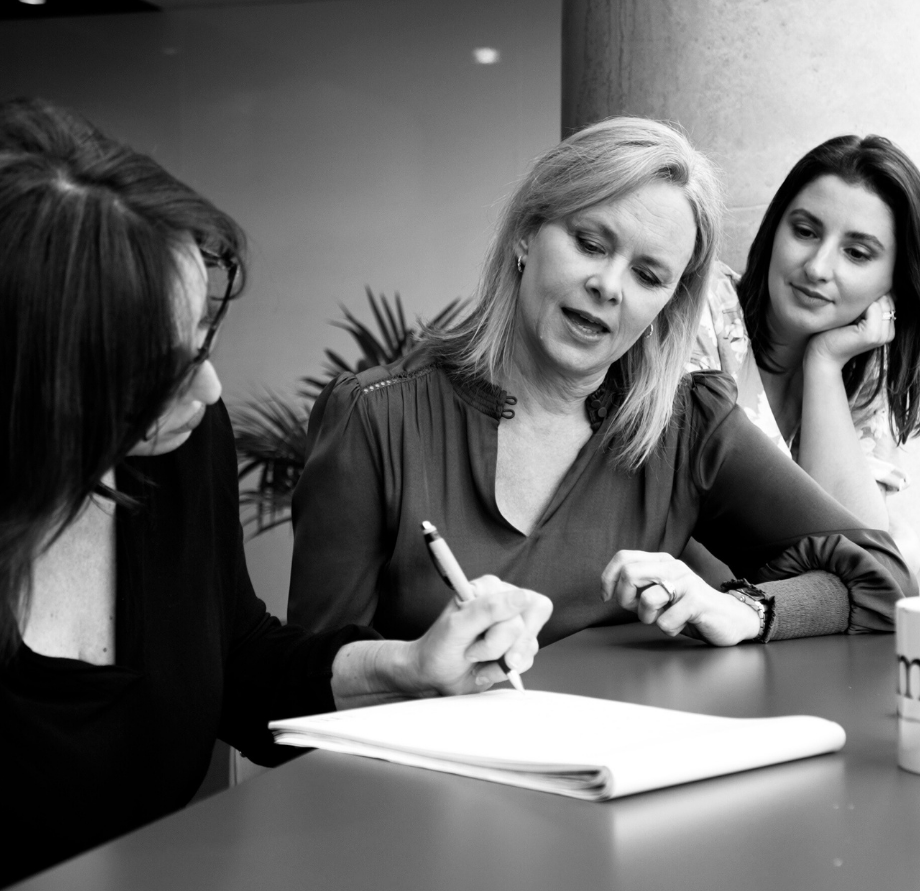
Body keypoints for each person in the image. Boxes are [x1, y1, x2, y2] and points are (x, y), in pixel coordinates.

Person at [0, 97, 552, 890]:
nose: (210, 385)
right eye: (158, 369)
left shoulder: (177, 443)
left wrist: (411, 667)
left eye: (201, 340)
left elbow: (239, 660)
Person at [288, 117, 915, 649]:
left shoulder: (686, 425)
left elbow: (882, 578)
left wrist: (746, 609)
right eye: (591, 243)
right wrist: (415, 671)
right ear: (528, 234)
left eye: (648, 276)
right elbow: (305, 691)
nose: (610, 287)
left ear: (668, 305)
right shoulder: (375, 417)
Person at [689, 135, 920, 574]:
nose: (816, 267)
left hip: (778, 624)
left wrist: (825, 363)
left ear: (892, 283)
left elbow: (864, 552)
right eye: (805, 231)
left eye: (856, 253)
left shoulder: (864, 370)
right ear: (776, 229)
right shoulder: (704, 308)